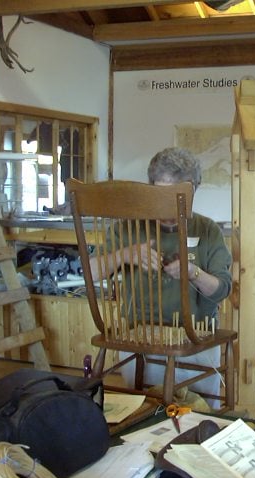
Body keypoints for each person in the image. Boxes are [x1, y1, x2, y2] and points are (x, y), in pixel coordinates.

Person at [91, 147, 232, 407]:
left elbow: (222, 289)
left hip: (197, 340)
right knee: (145, 416)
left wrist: (193, 273)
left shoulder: (207, 229)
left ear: (193, 191)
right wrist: (126, 255)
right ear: (151, 188)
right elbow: (91, 272)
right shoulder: (128, 228)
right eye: (161, 194)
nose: (169, 204)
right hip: (141, 340)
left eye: (177, 195)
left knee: (198, 418)